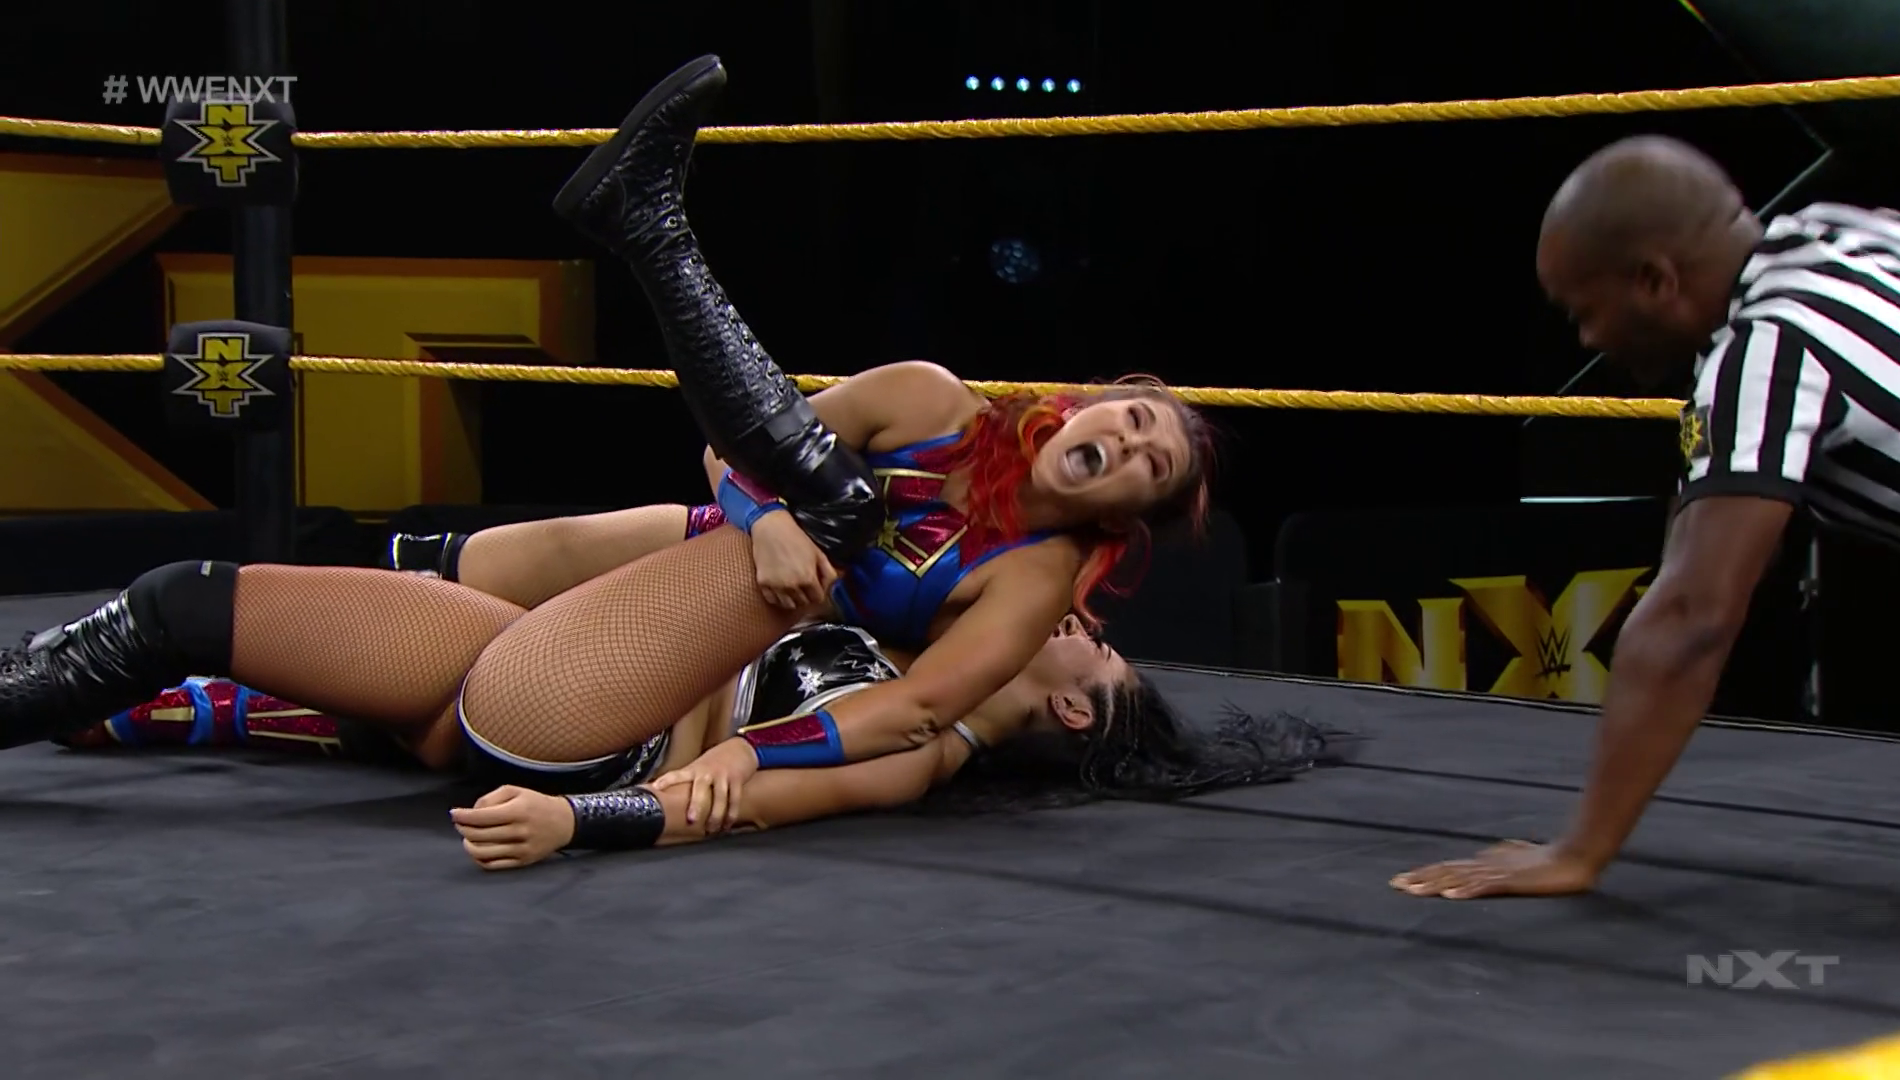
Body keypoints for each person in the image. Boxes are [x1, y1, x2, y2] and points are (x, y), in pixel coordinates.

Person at [0, 56, 1212, 852]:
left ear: (1125, 523)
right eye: (1131, 418)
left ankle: (654, 230)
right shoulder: (933, 407)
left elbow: (913, 716)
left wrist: (656, 791)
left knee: (839, 516)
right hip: (554, 653)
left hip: (587, 722)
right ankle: (82, 702)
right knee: (181, 602)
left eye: (1151, 464)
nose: (1126, 441)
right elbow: (735, 466)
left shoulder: (1006, 619)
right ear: (1083, 405)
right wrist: (762, 522)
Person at [1392, 134, 1900, 899]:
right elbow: (1718, 541)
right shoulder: (1842, 232)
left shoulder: (1767, 351)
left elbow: (1693, 618)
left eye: (1585, 312)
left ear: (1654, 280)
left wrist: (1578, 851)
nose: (1588, 340)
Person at [57, 614, 1339, 870]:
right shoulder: (917, 662)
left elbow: (736, 801)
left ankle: (220, 690)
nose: (1084, 623)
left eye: (1098, 652)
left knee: (468, 662)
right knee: (444, 668)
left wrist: (572, 823)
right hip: (593, 680)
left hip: (594, 739)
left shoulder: (917, 753)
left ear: (1070, 710)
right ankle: (224, 705)